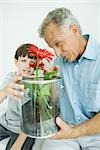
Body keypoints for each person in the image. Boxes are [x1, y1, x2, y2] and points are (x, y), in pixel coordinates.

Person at [38, 7, 100, 150]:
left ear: (74, 30)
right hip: (65, 131)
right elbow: (52, 105)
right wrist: (47, 84)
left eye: (58, 44)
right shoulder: (58, 63)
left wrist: (74, 132)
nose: (57, 53)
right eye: (52, 47)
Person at [0, 43, 36, 150]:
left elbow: (33, 119)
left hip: (24, 131)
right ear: (16, 62)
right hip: (5, 123)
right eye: (23, 61)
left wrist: (18, 144)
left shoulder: (37, 84)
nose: (28, 66)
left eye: (32, 63)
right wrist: (6, 91)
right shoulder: (11, 77)